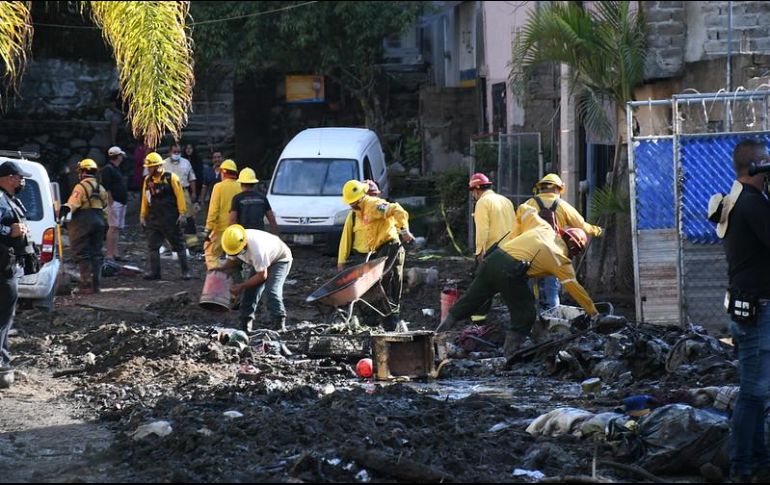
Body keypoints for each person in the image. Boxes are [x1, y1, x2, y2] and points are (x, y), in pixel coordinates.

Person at [438, 206, 598, 359]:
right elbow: (576, 289)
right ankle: (508, 355)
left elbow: (524, 210)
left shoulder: (544, 228)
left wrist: (515, 237)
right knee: (526, 314)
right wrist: (594, 313)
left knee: (469, 301)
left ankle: (436, 340)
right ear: (572, 246)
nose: (574, 255)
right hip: (510, 272)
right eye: (576, 251)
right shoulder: (560, 259)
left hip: (493, 260)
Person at [708, 139, 770, 482]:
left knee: (757, 391)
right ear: (757, 164)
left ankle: (758, 461)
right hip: (757, 310)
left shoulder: (738, 200)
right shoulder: (752, 205)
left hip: (747, 308)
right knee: (753, 393)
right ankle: (742, 466)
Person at [518, 173, 603, 310]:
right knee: (552, 290)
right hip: (553, 254)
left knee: (528, 291)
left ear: (541, 188)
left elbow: (518, 228)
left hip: (529, 254)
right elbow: (582, 225)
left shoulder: (528, 204)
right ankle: (553, 319)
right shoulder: (562, 206)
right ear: (558, 189)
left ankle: (529, 318)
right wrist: (598, 230)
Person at [340, 179, 414, 330]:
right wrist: (341, 261)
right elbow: (346, 237)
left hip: (389, 248)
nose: (351, 205)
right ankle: (372, 323)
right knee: (368, 288)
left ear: (361, 197)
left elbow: (397, 210)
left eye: (353, 202)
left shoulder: (374, 205)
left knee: (388, 286)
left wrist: (404, 231)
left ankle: (391, 324)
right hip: (372, 253)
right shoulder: (355, 214)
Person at [219, 224, 293, 333]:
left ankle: (279, 323)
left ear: (243, 245)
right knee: (250, 292)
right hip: (263, 260)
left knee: (271, 290)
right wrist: (217, 271)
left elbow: (262, 276)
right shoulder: (232, 242)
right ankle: (245, 326)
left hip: (280, 258)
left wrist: (241, 286)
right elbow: (231, 261)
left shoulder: (256, 250)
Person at [1, 162, 32, 389]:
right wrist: (8, 231)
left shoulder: (9, 199)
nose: (22, 182)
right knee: (3, 318)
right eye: (20, 178)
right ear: (9, 177)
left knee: (6, 317)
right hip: (2, 268)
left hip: (9, 266)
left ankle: (3, 364)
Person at [58, 159, 109, 294]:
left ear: (83, 171)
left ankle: (86, 285)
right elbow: (105, 207)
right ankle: (96, 285)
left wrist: (63, 212)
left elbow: (73, 204)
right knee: (97, 254)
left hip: (84, 223)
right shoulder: (101, 187)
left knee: (82, 253)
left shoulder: (80, 187)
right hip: (99, 221)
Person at [140, 152, 191, 280]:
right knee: (153, 246)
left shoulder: (171, 178)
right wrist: (142, 215)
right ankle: (155, 272)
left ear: (157, 166)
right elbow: (145, 199)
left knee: (179, 244)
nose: (148, 169)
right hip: (154, 218)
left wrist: (182, 213)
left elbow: (180, 196)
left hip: (170, 218)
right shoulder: (147, 180)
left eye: (150, 167)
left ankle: (186, 272)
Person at [203, 159, 240, 270]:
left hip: (220, 228)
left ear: (223, 172)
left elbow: (213, 210)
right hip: (236, 229)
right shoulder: (240, 186)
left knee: (210, 252)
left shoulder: (218, 187)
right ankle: (234, 279)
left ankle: (215, 277)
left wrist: (207, 230)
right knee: (234, 256)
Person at [469, 173, 516, 261]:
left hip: (493, 252)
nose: (473, 195)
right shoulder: (506, 201)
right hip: (511, 250)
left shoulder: (482, 202)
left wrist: (479, 251)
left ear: (476, 190)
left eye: (473, 192)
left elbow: (482, 230)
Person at [337, 179, 383, 269]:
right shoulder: (353, 215)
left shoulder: (382, 210)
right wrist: (341, 262)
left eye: (375, 197)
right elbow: (346, 239)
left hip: (380, 255)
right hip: (361, 257)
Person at [163, 143, 199, 249]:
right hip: (169, 193)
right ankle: (173, 243)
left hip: (184, 192)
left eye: (178, 152)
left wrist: (193, 193)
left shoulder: (186, 162)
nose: (177, 154)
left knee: (189, 218)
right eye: (174, 152)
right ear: (170, 152)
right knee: (170, 218)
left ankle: (192, 243)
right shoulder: (164, 164)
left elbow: (192, 178)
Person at [101, 146, 128, 262]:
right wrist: (110, 200)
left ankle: (115, 252)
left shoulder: (117, 168)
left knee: (117, 228)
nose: (122, 157)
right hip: (115, 201)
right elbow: (107, 186)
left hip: (121, 201)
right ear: (118, 156)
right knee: (112, 227)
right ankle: (109, 254)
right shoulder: (108, 169)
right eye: (121, 155)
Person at [229, 168, 278, 232]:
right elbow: (272, 220)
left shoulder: (237, 198)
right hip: (259, 234)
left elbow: (232, 220)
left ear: (241, 183)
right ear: (254, 183)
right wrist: (275, 235)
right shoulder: (262, 198)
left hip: (244, 235)